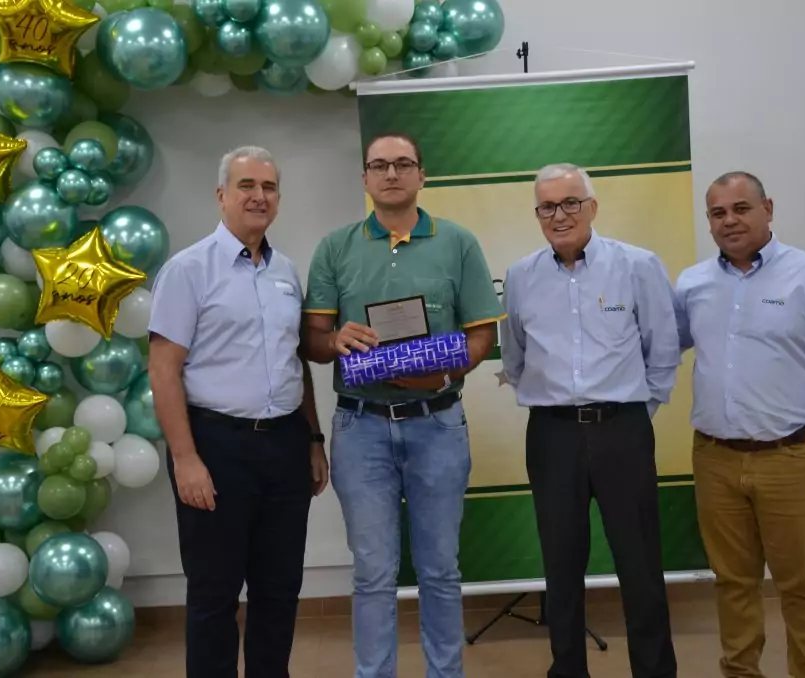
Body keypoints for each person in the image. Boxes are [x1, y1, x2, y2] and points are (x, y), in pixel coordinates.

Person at [301, 132, 504, 678]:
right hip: (360, 427)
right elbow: (312, 343)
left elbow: (482, 337)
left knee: (439, 569)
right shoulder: (335, 247)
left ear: (421, 175)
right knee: (372, 571)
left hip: (437, 422)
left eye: (403, 164)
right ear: (365, 179)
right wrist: (336, 340)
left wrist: (440, 370)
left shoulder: (457, 242)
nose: (391, 174)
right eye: (379, 166)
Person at [673, 171, 805, 678]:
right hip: (715, 457)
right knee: (731, 581)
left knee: (801, 585)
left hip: (793, 458)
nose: (729, 221)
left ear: (768, 209)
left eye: (741, 208)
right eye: (718, 213)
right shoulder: (693, 284)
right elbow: (659, 347)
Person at [147, 146, 330, 678]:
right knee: (214, 593)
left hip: (285, 446)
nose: (259, 196)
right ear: (221, 195)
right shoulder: (187, 270)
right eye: (247, 185)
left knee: (279, 590)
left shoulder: (286, 273)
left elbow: (297, 362)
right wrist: (185, 459)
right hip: (215, 446)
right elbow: (163, 371)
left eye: (269, 187)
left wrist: (313, 440)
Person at [499, 163, 681, 678]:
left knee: (640, 566)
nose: (560, 215)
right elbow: (514, 358)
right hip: (552, 434)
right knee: (560, 568)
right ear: (537, 214)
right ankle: (568, 670)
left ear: (593, 207)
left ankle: (654, 670)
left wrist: (626, 415)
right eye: (547, 206)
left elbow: (662, 354)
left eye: (571, 203)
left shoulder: (638, 266)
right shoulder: (520, 276)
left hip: (622, 430)